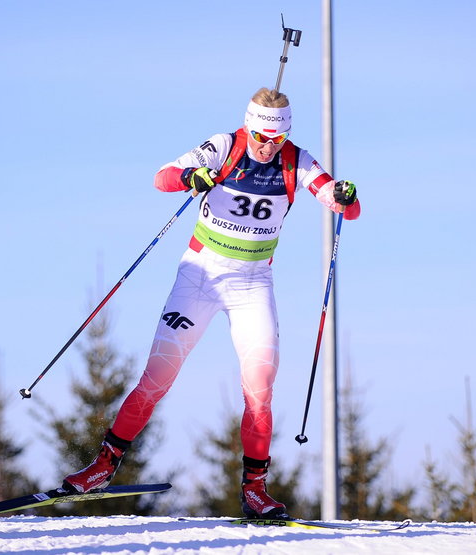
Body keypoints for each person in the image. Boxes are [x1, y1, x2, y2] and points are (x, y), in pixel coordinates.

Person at [61, 87, 361, 518]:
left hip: (253, 283)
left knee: (260, 389)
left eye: (276, 139)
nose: (266, 146)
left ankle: (255, 489)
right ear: (248, 125)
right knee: (158, 377)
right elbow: (162, 176)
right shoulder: (224, 146)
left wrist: (346, 196)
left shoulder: (298, 161)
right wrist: (192, 177)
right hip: (200, 277)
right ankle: (103, 467)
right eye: (260, 135)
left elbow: (341, 205)